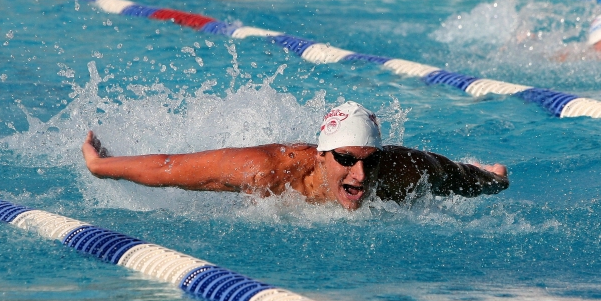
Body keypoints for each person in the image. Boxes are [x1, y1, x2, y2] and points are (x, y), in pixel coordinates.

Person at [82, 101, 509, 210]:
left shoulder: (399, 169)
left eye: (369, 160)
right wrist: (102, 166)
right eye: (345, 159)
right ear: (322, 155)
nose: (360, 174)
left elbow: (457, 176)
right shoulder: (271, 171)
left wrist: (493, 178)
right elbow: (171, 168)